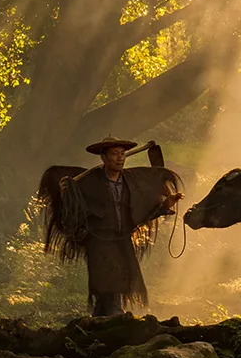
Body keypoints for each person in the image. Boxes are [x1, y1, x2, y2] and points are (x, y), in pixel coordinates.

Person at [36, 136, 183, 317]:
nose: (120, 158)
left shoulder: (131, 182)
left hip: (122, 240)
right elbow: (73, 208)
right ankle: (115, 317)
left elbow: (139, 212)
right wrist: (66, 190)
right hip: (99, 242)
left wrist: (165, 205)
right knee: (109, 283)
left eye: (122, 154)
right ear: (103, 158)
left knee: (119, 284)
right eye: (115, 154)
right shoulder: (88, 182)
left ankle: (101, 321)